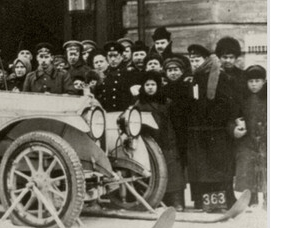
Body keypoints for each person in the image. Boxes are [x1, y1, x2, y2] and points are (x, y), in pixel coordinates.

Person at [184, 44, 240, 209]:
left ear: (206, 60)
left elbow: (227, 103)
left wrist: (213, 119)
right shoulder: (194, 77)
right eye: (192, 60)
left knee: (219, 167)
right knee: (202, 169)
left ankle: (225, 199)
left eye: (197, 60)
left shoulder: (220, 77)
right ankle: (203, 201)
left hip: (216, 130)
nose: (194, 63)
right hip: (198, 130)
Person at [135, 71, 186, 210]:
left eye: (153, 84)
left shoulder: (167, 102)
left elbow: (176, 122)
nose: (150, 87)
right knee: (154, 172)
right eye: (147, 84)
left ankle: (177, 201)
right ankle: (157, 200)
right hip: (149, 143)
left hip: (168, 141)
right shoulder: (139, 104)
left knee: (173, 171)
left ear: (158, 86)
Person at [233, 65, 267, 208]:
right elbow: (233, 116)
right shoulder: (242, 99)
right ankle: (252, 198)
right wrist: (236, 126)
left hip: (266, 139)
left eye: (257, 81)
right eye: (250, 81)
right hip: (247, 140)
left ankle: (268, 197)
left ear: (264, 81)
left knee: (267, 168)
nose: (253, 84)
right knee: (249, 168)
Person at [95, 41, 134, 111]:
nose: (112, 59)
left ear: (121, 56)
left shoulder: (128, 73)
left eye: (115, 56)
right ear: (106, 57)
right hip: (107, 112)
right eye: (110, 56)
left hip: (123, 112)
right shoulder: (104, 74)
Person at [215, 36, 246, 106]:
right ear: (219, 57)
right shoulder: (213, 76)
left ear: (236, 58)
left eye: (231, 57)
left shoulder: (243, 75)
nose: (228, 60)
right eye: (225, 57)